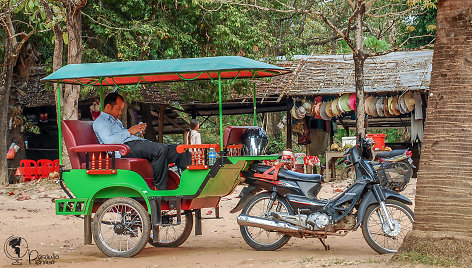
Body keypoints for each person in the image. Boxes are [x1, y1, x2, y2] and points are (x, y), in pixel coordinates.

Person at [93, 92, 189, 190]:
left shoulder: (116, 121)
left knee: (178, 150)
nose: (120, 112)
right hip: (124, 150)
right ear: (108, 107)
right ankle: (160, 189)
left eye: (121, 109)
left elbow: (124, 135)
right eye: (118, 109)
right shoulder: (101, 122)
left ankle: (191, 183)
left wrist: (137, 132)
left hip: (133, 144)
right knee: (160, 149)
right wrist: (130, 131)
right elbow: (109, 142)